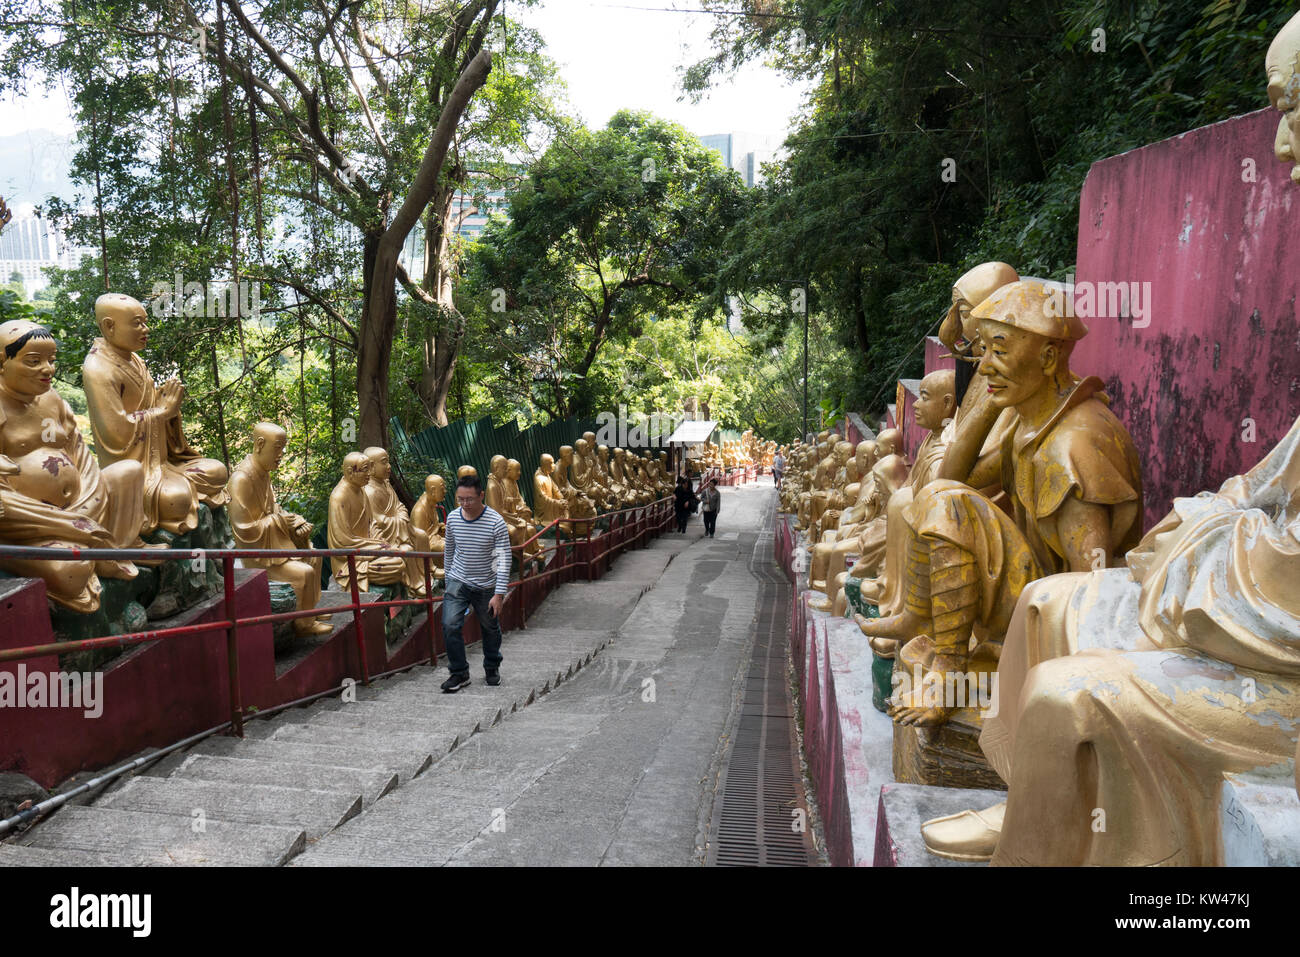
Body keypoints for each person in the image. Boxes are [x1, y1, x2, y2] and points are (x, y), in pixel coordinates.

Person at [440, 474, 512, 693]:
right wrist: (448, 579)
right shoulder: (452, 518)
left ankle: (492, 667)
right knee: (450, 624)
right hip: (458, 581)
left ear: (481, 495)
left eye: (469, 499)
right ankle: (459, 673)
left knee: (490, 628)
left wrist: (499, 594)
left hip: (486, 585)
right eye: (460, 499)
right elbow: (449, 550)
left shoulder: (495, 522)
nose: (465, 504)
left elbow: (503, 559)